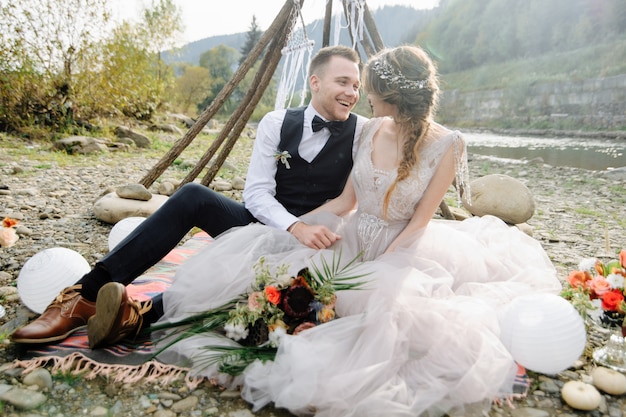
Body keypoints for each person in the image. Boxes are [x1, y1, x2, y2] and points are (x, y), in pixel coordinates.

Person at [144, 45, 564, 416]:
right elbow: (346, 202)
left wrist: (381, 271)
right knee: (282, 285)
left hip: (403, 246)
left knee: (372, 326)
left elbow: (420, 222)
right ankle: (155, 312)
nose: (361, 94)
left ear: (388, 93)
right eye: (350, 82)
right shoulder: (369, 129)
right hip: (351, 233)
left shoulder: (448, 144)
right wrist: (298, 228)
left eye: (365, 85)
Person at [10, 45, 368, 347]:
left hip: (314, 245)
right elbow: (257, 194)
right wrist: (292, 226)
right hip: (267, 223)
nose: (352, 93)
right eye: (343, 82)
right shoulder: (276, 122)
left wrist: (305, 232)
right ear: (315, 82)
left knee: (233, 288)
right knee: (193, 195)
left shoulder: (363, 132)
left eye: (356, 85)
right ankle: (84, 297)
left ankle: (135, 317)